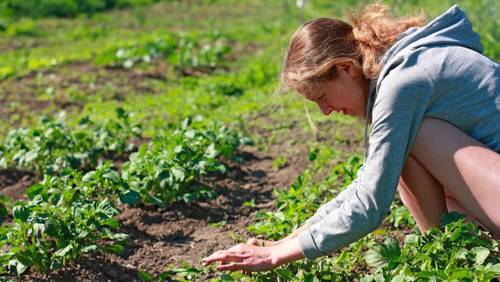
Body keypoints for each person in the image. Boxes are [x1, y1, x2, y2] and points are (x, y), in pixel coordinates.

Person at [203, 3, 500, 272]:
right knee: (403, 149)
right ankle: (451, 255)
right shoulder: (398, 66)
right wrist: (283, 241)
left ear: (346, 68)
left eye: (323, 97)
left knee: (415, 138)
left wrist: (276, 256)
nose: (326, 111)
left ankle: (447, 262)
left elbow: (370, 202)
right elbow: (367, 183)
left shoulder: (403, 84)